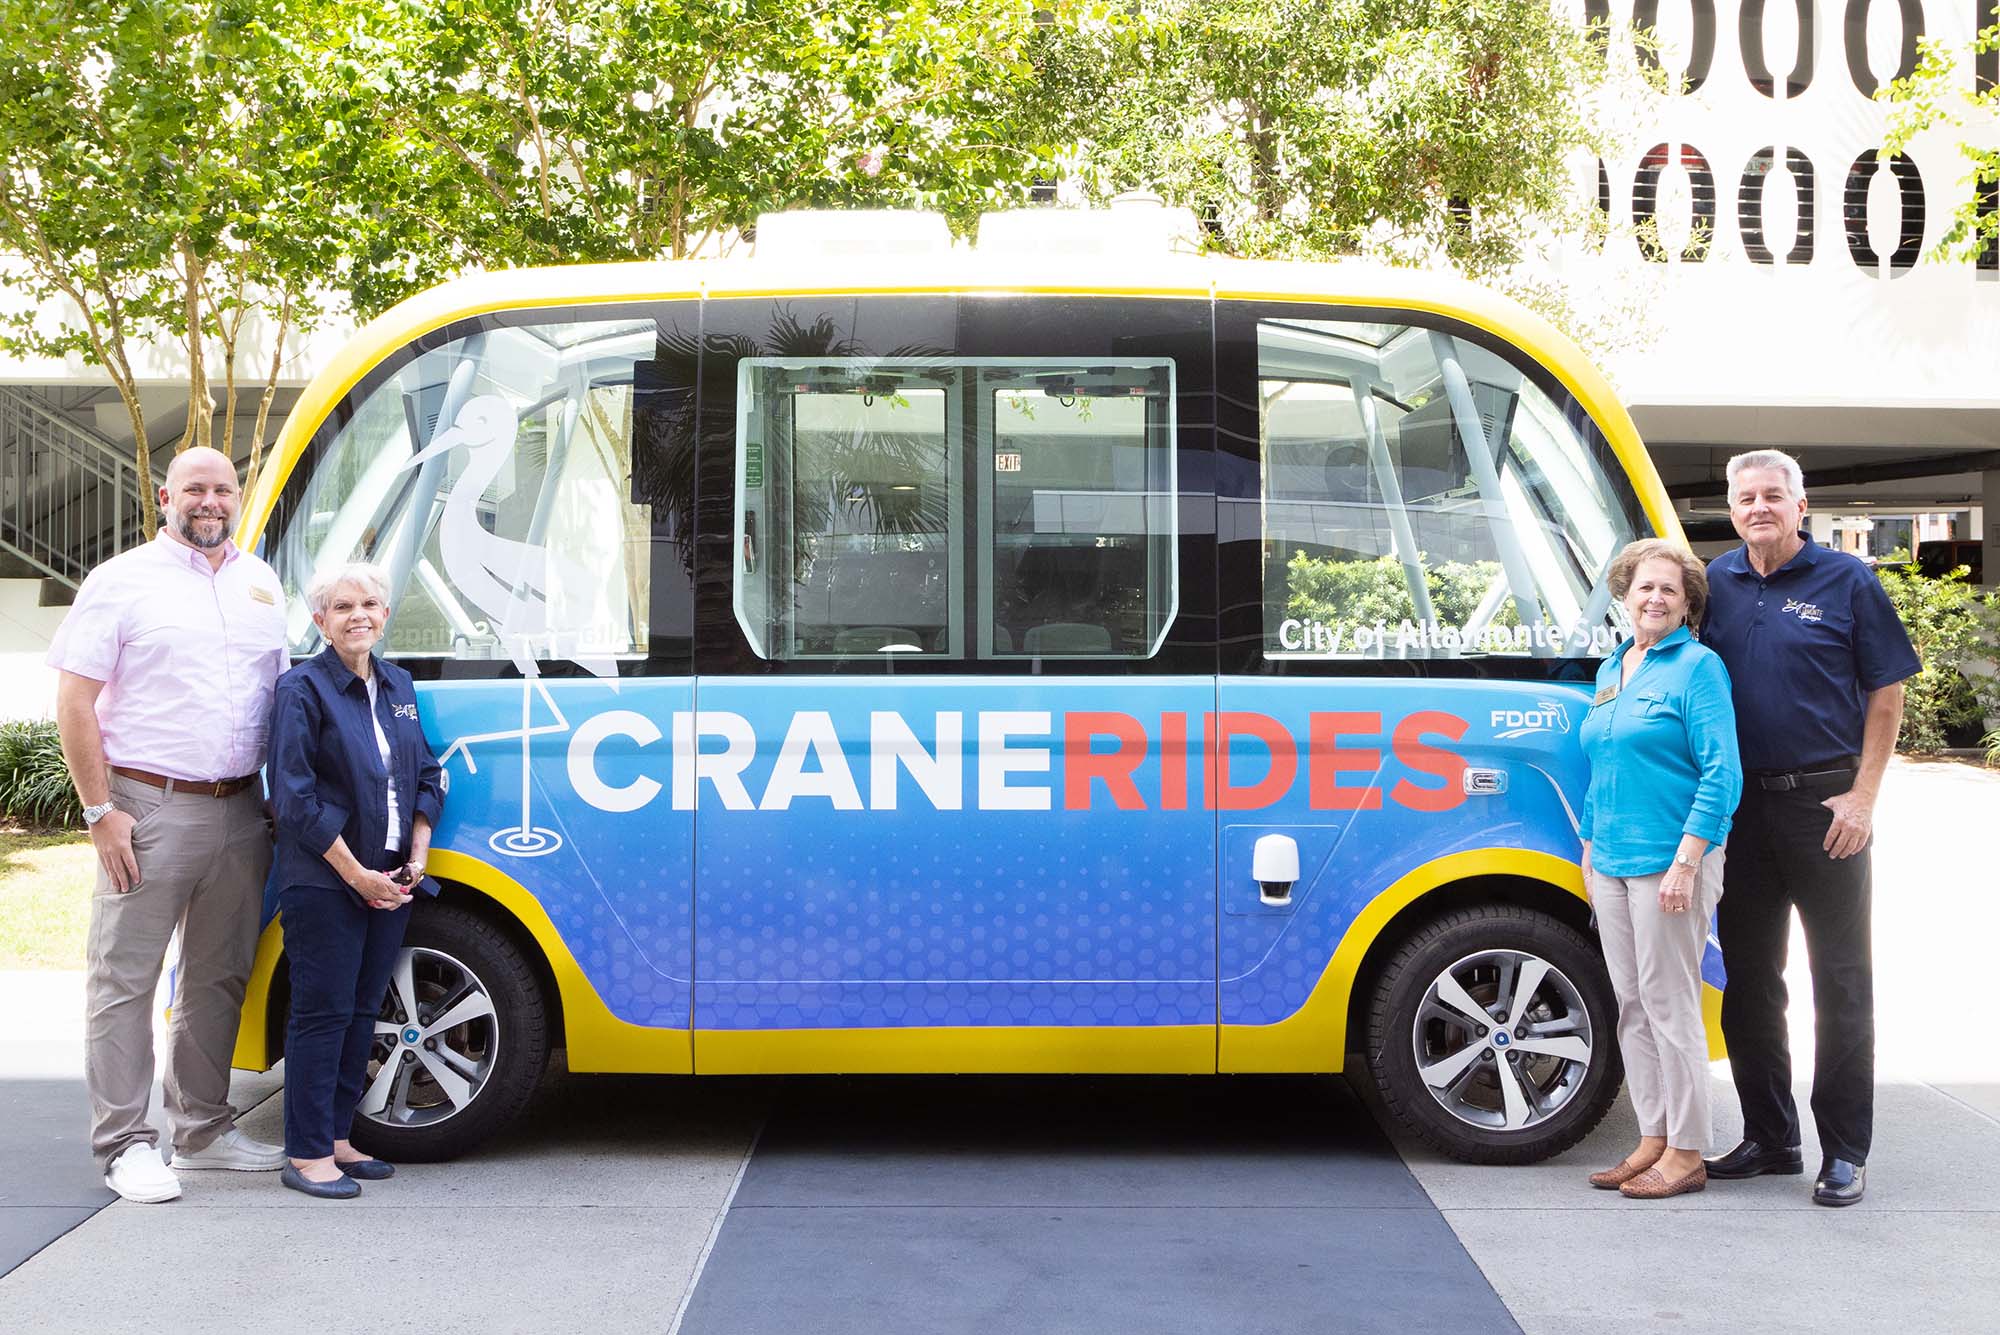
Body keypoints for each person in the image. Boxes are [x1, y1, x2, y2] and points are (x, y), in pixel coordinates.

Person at [48, 446, 291, 1203]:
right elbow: (75, 701)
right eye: (195, 489)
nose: (209, 500)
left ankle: (203, 1129)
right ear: (165, 496)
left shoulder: (261, 582)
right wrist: (100, 813)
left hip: (242, 808)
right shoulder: (118, 582)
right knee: (125, 979)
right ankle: (125, 1143)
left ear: (238, 497)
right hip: (147, 805)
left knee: (217, 976)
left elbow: (279, 696)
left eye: (222, 488)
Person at [1700, 449, 1919, 1207]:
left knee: (1841, 980)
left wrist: (1863, 797)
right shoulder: (1716, 583)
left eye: (1774, 495)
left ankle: (1846, 1151)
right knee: (1752, 982)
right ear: (1732, 509)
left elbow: (1886, 696)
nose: (1759, 506)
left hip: (1826, 806)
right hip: (1743, 809)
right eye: (1746, 496)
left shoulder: (1848, 581)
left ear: (1801, 505)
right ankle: (1770, 1137)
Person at [267, 562, 444, 1199]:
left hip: (391, 877)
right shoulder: (302, 689)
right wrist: (356, 874)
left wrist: (415, 857)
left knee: (363, 1011)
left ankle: (340, 1138)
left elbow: (425, 773)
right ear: (320, 621)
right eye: (342, 607)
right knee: (323, 1012)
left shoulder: (398, 683)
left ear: (386, 614)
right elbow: (292, 798)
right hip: (325, 881)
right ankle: (307, 1152)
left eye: (369, 603)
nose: (358, 615)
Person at [1578, 539, 1742, 1200]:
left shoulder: (1698, 668)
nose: (1654, 598)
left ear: (1687, 603)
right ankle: (1652, 1135)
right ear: (1625, 595)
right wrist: (1589, 839)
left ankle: (1687, 1151)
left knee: (1672, 1004)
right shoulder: (1616, 666)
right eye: (1644, 588)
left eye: (1668, 590)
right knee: (1633, 1004)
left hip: (1671, 863)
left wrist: (1686, 862)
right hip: (1611, 861)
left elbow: (1721, 774)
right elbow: (1603, 761)